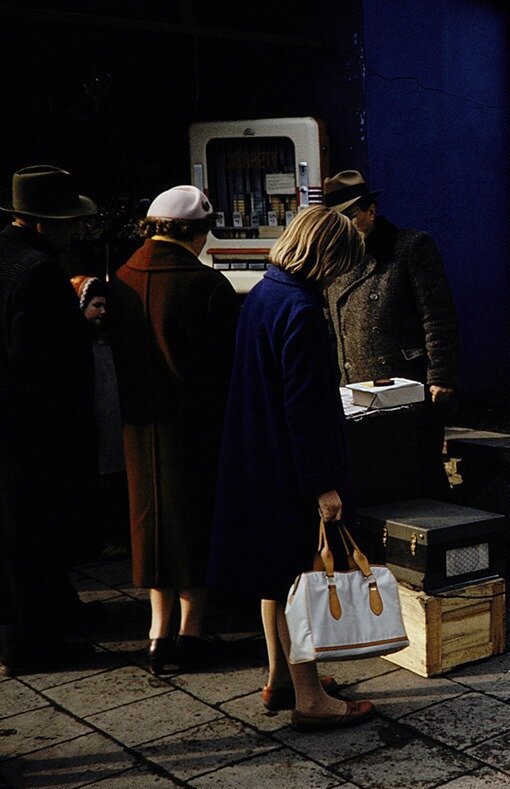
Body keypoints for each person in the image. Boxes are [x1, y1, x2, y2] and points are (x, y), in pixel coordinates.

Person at [209, 205, 374, 732]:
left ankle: (280, 676)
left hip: (255, 457)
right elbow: (304, 408)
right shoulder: (302, 310)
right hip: (289, 468)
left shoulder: (263, 293)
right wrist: (323, 483)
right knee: (299, 581)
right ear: (326, 255)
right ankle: (310, 697)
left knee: (272, 577)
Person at [113, 185, 238, 675]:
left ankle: (156, 634)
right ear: (193, 232)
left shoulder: (121, 277)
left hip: (139, 428)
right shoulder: (207, 286)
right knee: (194, 522)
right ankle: (191, 633)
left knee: (150, 522)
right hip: (195, 426)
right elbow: (228, 368)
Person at [0, 165, 97, 675]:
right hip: (30, 427)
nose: (75, 229)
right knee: (33, 532)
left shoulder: (5, 255)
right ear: (42, 223)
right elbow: (39, 359)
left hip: (10, 423)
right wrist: (80, 324)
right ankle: (31, 643)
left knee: (15, 531)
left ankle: (48, 616)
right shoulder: (38, 271)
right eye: (67, 221)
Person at [322, 170, 459, 498]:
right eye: (336, 220)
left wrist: (440, 377)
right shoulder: (335, 260)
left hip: (406, 385)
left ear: (370, 212)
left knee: (419, 472)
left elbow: (437, 316)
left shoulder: (411, 247)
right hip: (354, 390)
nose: (344, 226)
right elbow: (330, 326)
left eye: (350, 217)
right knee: (372, 475)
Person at [70, 275, 129, 559]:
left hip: (111, 422)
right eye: (97, 305)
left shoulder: (108, 340)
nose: (103, 312)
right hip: (95, 425)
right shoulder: (78, 345)